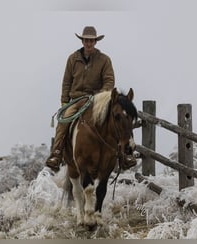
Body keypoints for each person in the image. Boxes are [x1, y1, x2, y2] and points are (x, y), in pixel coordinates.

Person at [46, 26, 137, 172]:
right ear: (82, 41)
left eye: (91, 40)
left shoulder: (104, 60)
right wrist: (64, 101)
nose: (89, 43)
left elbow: (109, 81)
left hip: (97, 100)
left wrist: (99, 96)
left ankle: (125, 156)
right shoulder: (72, 59)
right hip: (76, 99)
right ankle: (56, 153)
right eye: (86, 40)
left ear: (96, 41)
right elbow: (66, 81)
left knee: (115, 121)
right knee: (63, 121)